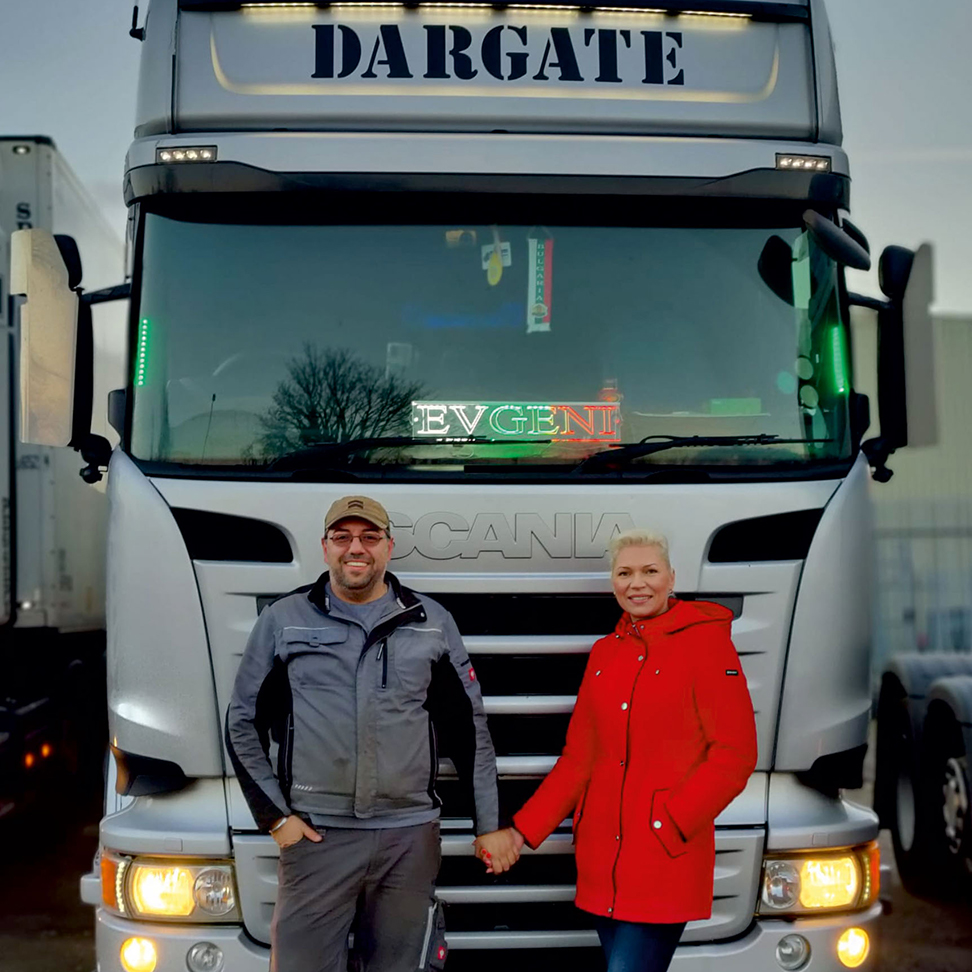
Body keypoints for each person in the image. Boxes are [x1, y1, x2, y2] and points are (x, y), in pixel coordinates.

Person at [226, 495, 518, 972]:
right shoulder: (284, 620)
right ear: (325, 548)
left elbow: (468, 731)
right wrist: (276, 819)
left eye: (369, 537)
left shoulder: (431, 623)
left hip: (408, 841)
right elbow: (242, 721)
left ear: (388, 547)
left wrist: (489, 823)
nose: (355, 548)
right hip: (318, 837)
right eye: (342, 537)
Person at [475, 529, 757, 972]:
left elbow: (735, 754)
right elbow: (578, 761)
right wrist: (520, 832)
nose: (637, 583)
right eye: (625, 572)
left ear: (671, 577)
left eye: (650, 571)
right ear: (612, 581)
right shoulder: (605, 654)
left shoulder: (706, 645)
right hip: (602, 865)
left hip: (665, 862)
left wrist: (671, 821)